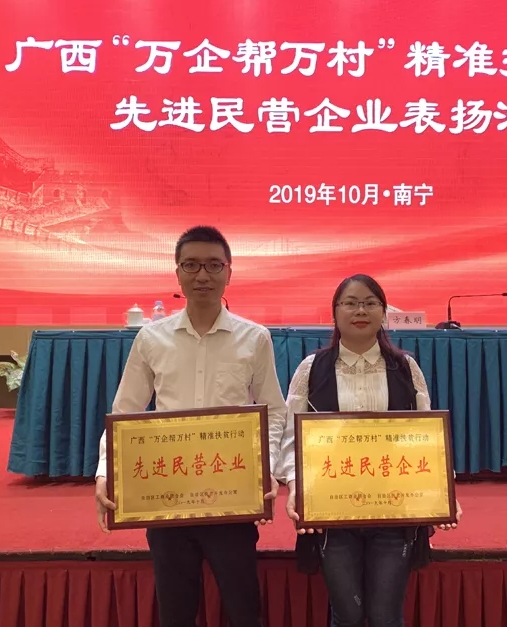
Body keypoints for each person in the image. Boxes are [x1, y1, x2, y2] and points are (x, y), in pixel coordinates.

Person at [94, 225, 287, 627]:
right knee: (176, 611)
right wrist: (105, 472)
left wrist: (264, 466)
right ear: (177, 273)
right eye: (192, 265)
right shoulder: (152, 338)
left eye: (214, 265)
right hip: (168, 497)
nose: (203, 275)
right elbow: (125, 412)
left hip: (231, 492)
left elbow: (273, 410)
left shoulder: (255, 338)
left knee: (243, 608)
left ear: (229, 272)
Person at [278, 274, 462, 627]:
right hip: (331, 512)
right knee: (346, 614)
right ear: (335, 312)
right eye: (350, 303)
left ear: (383, 311)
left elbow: (426, 438)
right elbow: (291, 438)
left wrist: (443, 491)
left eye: (369, 303)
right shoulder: (311, 369)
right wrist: (296, 486)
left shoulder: (406, 368)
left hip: (394, 510)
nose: (360, 311)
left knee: (385, 615)